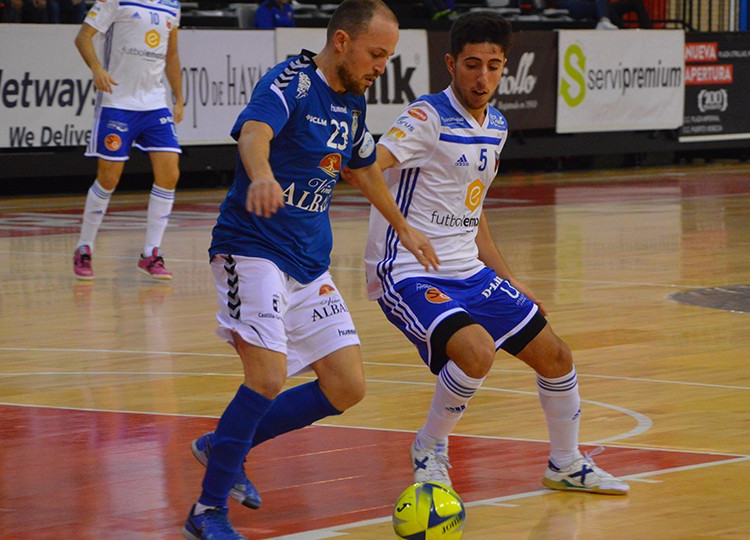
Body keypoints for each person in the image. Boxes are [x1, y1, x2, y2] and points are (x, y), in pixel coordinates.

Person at [181, 1, 439, 539]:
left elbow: (364, 172)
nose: (380, 67)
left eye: (388, 58)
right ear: (341, 41)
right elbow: (255, 133)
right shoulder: (292, 82)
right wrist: (260, 175)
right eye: (375, 54)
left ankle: (225, 445)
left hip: (308, 261)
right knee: (268, 376)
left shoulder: (353, 105)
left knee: (346, 386)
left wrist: (405, 229)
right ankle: (207, 512)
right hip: (251, 248)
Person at [361, 11, 630, 496]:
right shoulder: (426, 117)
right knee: (477, 351)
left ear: (505, 66)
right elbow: (366, 168)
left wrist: (508, 277)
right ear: (450, 64)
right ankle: (429, 447)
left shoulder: (497, 126)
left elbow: (474, 211)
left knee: (556, 357)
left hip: (469, 270)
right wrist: (402, 230)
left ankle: (565, 463)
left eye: (492, 65)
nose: (482, 77)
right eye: (471, 65)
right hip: (408, 271)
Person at [72, 0, 184, 281]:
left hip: (154, 103)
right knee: (109, 178)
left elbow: (171, 55)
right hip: (118, 102)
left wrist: (179, 97)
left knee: (170, 173)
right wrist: (97, 68)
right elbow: (83, 37)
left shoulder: (172, 6)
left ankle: (151, 253)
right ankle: (84, 246)